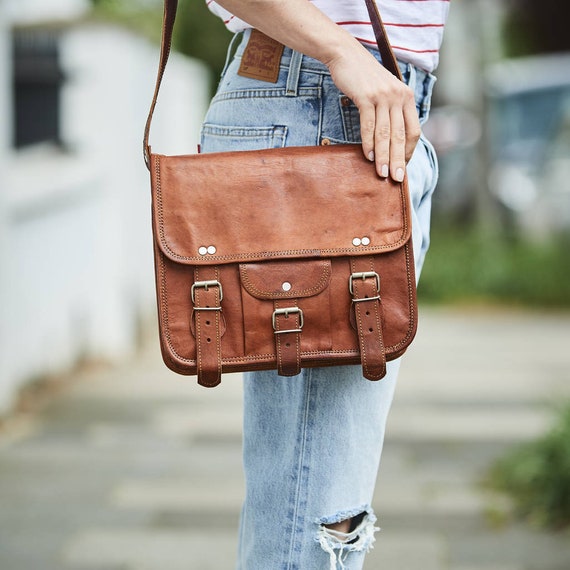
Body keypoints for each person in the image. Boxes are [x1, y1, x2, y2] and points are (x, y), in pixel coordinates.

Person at [200, 1, 450, 568]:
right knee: (318, 511)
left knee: (313, 497)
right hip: (325, 100)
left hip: (363, 105)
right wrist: (341, 51)